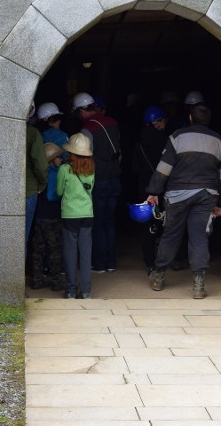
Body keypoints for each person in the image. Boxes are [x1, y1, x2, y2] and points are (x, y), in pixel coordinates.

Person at [145, 103, 221, 299]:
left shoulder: (177, 137)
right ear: (208, 120)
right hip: (206, 195)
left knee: (170, 235)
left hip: (177, 195)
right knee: (199, 237)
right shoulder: (219, 141)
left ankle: (158, 276)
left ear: (191, 118)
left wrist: (153, 191)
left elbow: (163, 168)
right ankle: (199, 285)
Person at [72, 91, 121, 273]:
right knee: (109, 221)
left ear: (82, 110)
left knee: (98, 222)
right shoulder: (113, 123)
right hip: (115, 177)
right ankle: (111, 262)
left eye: (78, 112)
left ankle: (99, 264)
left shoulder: (87, 129)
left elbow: (85, 156)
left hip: (98, 179)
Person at [57, 133, 95, 299]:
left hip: (70, 215)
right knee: (86, 253)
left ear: (71, 153)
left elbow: (59, 191)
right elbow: (90, 190)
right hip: (87, 213)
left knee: (70, 252)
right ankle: (86, 290)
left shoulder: (64, 169)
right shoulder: (92, 170)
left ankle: (71, 289)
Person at [132, 106, 168, 272]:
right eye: (162, 120)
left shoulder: (139, 144)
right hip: (164, 188)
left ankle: (149, 262)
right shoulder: (167, 142)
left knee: (147, 226)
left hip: (145, 188)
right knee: (167, 225)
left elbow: (134, 168)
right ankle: (165, 260)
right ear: (157, 122)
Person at [30, 142, 66, 292]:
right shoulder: (53, 173)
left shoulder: (41, 172)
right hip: (51, 216)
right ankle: (56, 281)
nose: (61, 160)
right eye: (58, 157)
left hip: (39, 215)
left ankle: (37, 279)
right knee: (54, 249)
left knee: (38, 249)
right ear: (52, 160)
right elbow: (52, 195)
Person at [25, 103, 48, 254]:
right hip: (30, 190)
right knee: (23, 237)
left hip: (4, 191)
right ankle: (18, 275)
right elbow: (40, 163)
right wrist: (43, 183)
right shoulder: (33, 133)